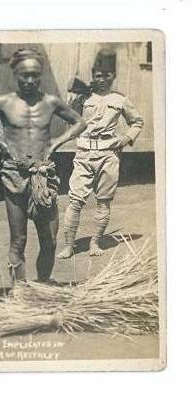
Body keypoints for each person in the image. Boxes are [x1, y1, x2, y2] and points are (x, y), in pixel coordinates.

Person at [0, 48, 87, 286]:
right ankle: (20, 291)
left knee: (50, 240)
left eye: (35, 75)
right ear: (15, 74)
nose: (30, 80)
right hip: (14, 175)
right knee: (18, 240)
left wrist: (56, 141)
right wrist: (1, 142)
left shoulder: (50, 102)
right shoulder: (3, 103)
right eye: (25, 75)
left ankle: (43, 286)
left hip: (43, 176)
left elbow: (80, 122)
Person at [57, 48, 143, 258]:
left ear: (113, 76)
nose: (102, 79)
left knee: (103, 201)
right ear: (93, 75)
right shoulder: (83, 97)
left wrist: (125, 138)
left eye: (107, 75)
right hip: (84, 154)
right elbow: (68, 122)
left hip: (108, 155)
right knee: (75, 200)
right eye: (98, 75)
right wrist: (73, 101)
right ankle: (69, 245)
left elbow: (137, 121)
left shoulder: (120, 99)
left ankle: (95, 243)